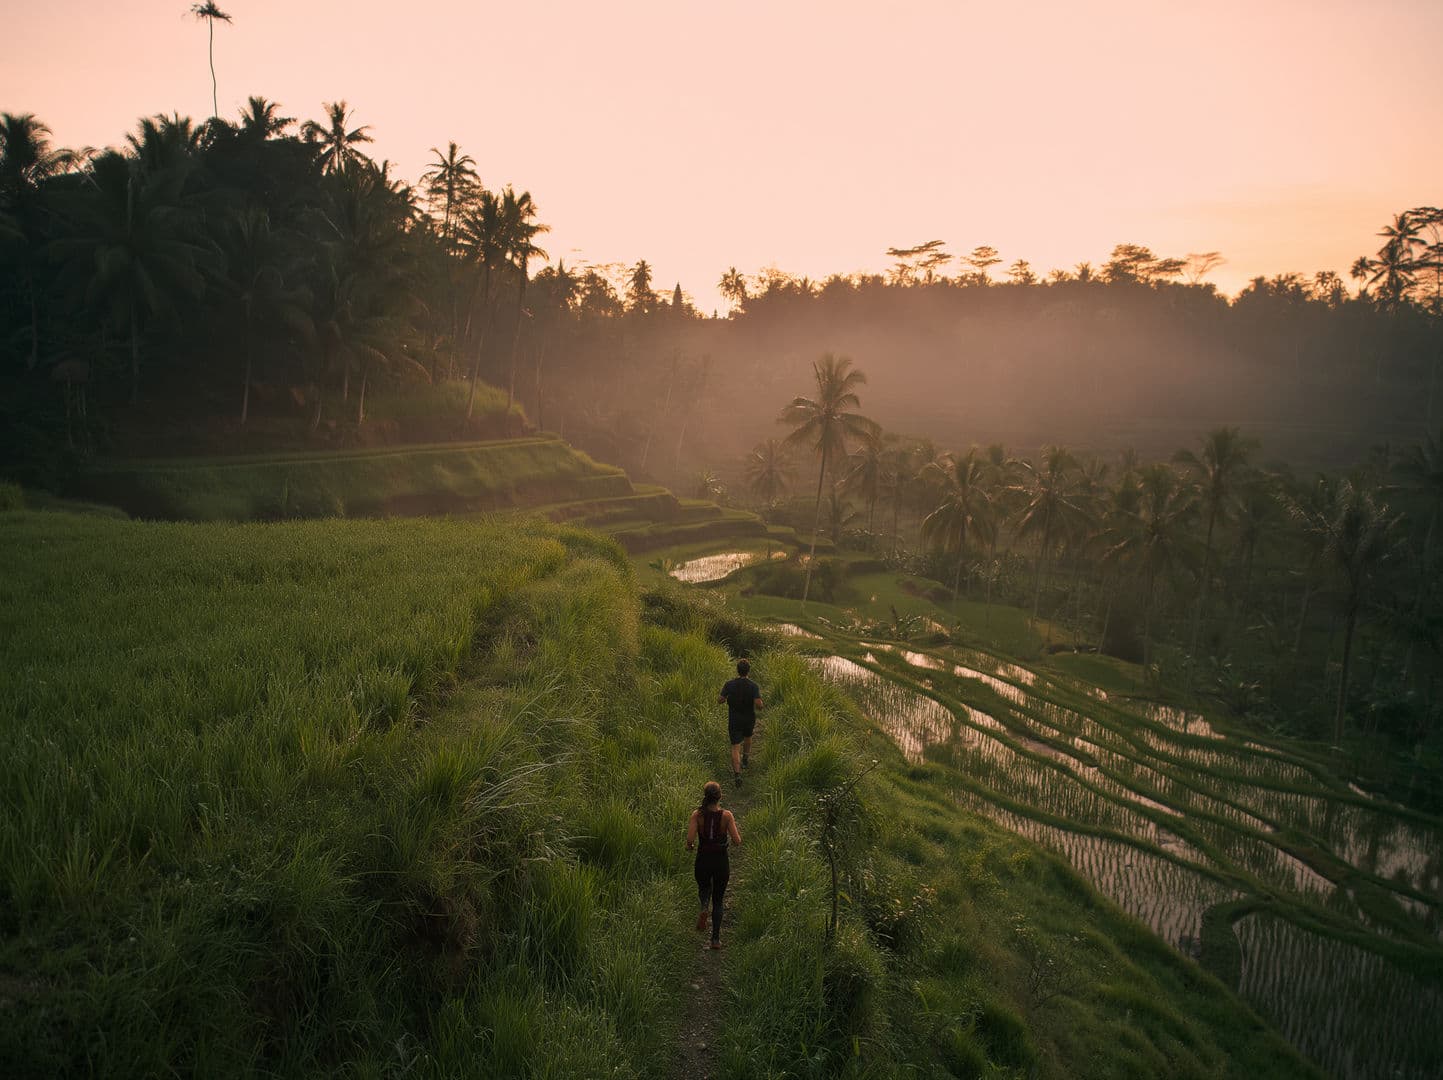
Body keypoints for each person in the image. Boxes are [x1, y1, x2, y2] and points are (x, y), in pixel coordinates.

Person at [686, 780, 742, 949]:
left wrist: (690, 846)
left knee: (704, 888)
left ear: (705, 796)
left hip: (703, 859)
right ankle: (715, 940)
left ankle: (704, 905)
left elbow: (689, 839)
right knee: (718, 900)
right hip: (720, 861)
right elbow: (737, 841)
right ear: (720, 796)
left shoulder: (697, 815)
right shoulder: (727, 815)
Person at [717, 658, 762, 786]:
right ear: (748, 671)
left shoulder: (729, 684)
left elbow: (720, 700)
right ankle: (746, 759)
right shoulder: (753, 686)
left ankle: (737, 774)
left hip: (734, 719)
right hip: (749, 718)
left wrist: (724, 698)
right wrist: (760, 705)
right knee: (748, 737)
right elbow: (759, 704)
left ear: (737, 670)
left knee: (735, 746)